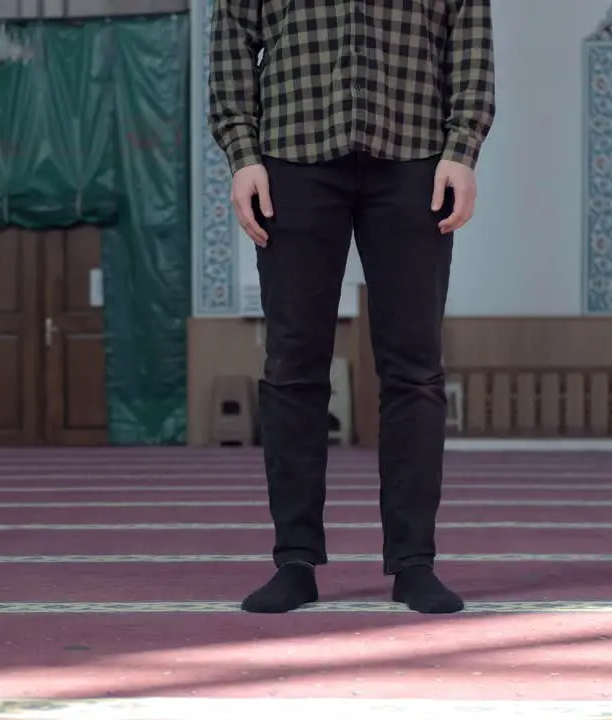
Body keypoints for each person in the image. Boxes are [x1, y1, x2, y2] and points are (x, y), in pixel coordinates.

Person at [207, 0, 496, 615]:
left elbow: (467, 40)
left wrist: (462, 149)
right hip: (291, 155)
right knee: (292, 366)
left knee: (414, 370)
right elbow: (232, 39)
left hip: (416, 156)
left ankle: (414, 563)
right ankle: (295, 560)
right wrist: (242, 155)